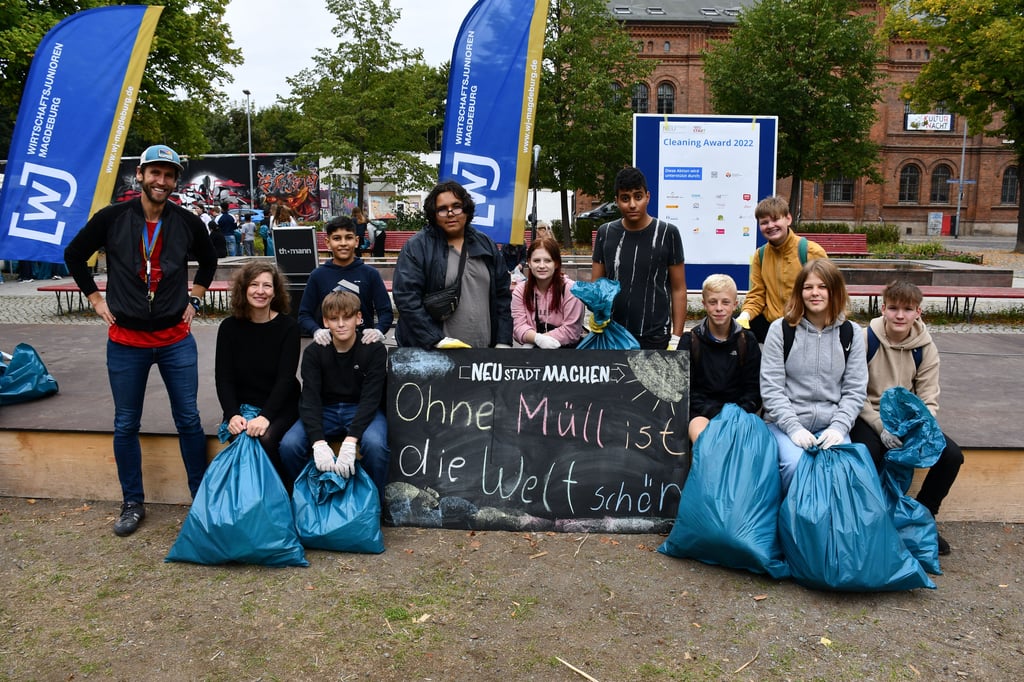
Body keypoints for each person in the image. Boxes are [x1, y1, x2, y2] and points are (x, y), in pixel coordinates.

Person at [64, 144, 218, 537]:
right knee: (125, 423)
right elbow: (74, 254)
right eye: (155, 173)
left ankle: (201, 498)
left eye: (169, 175)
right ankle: (132, 502)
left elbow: (210, 259)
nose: (161, 181)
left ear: (174, 181)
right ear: (140, 175)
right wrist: (95, 299)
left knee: (188, 419)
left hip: (175, 338)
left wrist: (196, 298)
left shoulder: (186, 221)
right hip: (126, 341)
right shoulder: (113, 218)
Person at [849, 280, 962, 555]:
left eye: (908, 309)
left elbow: (928, 397)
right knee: (869, 453)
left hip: (909, 421)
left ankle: (922, 519)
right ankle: (872, 522)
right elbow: (853, 391)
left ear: (918, 312)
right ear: (883, 308)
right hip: (869, 414)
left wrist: (920, 429)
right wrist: (879, 426)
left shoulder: (925, 347)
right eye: (894, 308)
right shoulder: (866, 339)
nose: (900, 315)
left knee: (951, 456)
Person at [760, 259, 867, 494]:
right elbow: (771, 388)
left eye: (822, 287)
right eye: (808, 287)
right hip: (786, 425)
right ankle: (792, 524)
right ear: (800, 292)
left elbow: (855, 389)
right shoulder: (781, 330)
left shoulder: (851, 333)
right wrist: (793, 428)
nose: (814, 293)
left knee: (841, 469)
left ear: (834, 291)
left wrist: (839, 428)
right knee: (796, 466)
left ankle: (828, 528)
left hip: (831, 424)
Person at [279, 290, 390, 499]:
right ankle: (305, 497)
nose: (340, 324)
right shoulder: (314, 352)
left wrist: (350, 441)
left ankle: (373, 502)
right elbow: (310, 398)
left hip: (361, 408)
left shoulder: (374, 350)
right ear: (325, 321)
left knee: (376, 445)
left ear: (359, 318)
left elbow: (371, 398)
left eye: (347, 317)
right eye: (333, 318)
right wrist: (318, 442)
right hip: (325, 410)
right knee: (289, 445)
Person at [392, 180, 513, 349]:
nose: (450, 213)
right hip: (435, 354)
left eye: (456, 206)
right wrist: (435, 339)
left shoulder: (486, 244)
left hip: (484, 354)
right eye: (442, 209)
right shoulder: (417, 247)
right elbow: (406, 298)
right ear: (433, 214)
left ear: (466, 209)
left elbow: (502, 296)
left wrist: (503, 340)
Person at [215, 261, 300, 488]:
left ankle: (283, 495)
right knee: (239, 437)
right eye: (254, 284)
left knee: (266, 438)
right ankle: (248, 501)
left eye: (267, 286)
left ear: (275, 292)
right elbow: (223, 378)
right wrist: (232, 414)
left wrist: (265, 416)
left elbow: (286, 379)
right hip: (243, 405)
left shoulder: (288, 328)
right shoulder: (228, 328)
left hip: (280, 406)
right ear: (244, 289)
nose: (260, 291)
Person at [591, 166, 687, 350]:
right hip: (613, 334)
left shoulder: (668, 233)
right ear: (617, 201)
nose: (632, 204)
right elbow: (597, 285)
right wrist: (597, 316)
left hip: (656, 335)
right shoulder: (606, 232)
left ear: (647, 197)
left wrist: (676, 337)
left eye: (638, 196)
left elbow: (678, 288)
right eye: (625, 198)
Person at [679, 274, 762, 443]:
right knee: (707, 442)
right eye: (712, 302)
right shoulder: (690, 341)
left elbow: (754, 390)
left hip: (739, 414)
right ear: (704, 304)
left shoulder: (747, 341)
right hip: (701, 414)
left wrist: (734, 414)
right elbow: (684, 390)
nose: (719, 308)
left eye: (725, 302)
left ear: (735, 305)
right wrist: (713, 413)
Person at [738, 195, 828, 343]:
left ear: (788, 219)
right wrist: (745, 315)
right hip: (773, 327)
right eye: (764, 222)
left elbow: (829, 292)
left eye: (775, 219)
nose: (770, 226)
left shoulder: (811, 251)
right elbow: (757, 294)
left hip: (805, 327)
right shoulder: (760, 255)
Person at [298, 216, 393, 346]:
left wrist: (378, 330)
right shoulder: (318, 275)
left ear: (357, 241)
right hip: (329, 346)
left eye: (348, 237)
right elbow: (304, 314)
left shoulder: (370, 274)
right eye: (337, 238)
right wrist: (316, 331)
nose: (343, 243)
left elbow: (386, 312)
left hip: (364, 345)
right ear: (328, 242)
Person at [512, 237, 585, 349]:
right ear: (529, 263)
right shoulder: (520, 291)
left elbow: (572, 331)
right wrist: (537, 339)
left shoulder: (571, 290)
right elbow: (518, 327)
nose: (541, 266)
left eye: (548, 260)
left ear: (556, 263)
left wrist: (538, 339)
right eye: (536, 261)